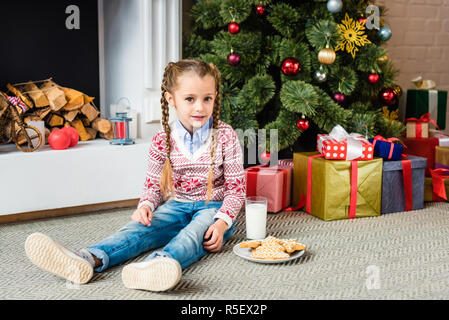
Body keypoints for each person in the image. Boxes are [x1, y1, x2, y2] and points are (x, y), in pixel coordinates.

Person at [25, 59, 246, 292]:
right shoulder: (163, 138)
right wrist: (146, 205)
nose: (200, 107)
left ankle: (158, 265)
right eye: (190, 99)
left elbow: (236, 189)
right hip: (178, 204)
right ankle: (89, 258)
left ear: (214, 97)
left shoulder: (225, 135)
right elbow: (153, 184)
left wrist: (222, 223)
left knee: (192, 236)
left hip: (213, 209)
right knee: (138, 230)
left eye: (207, 98)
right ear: (171, 99)